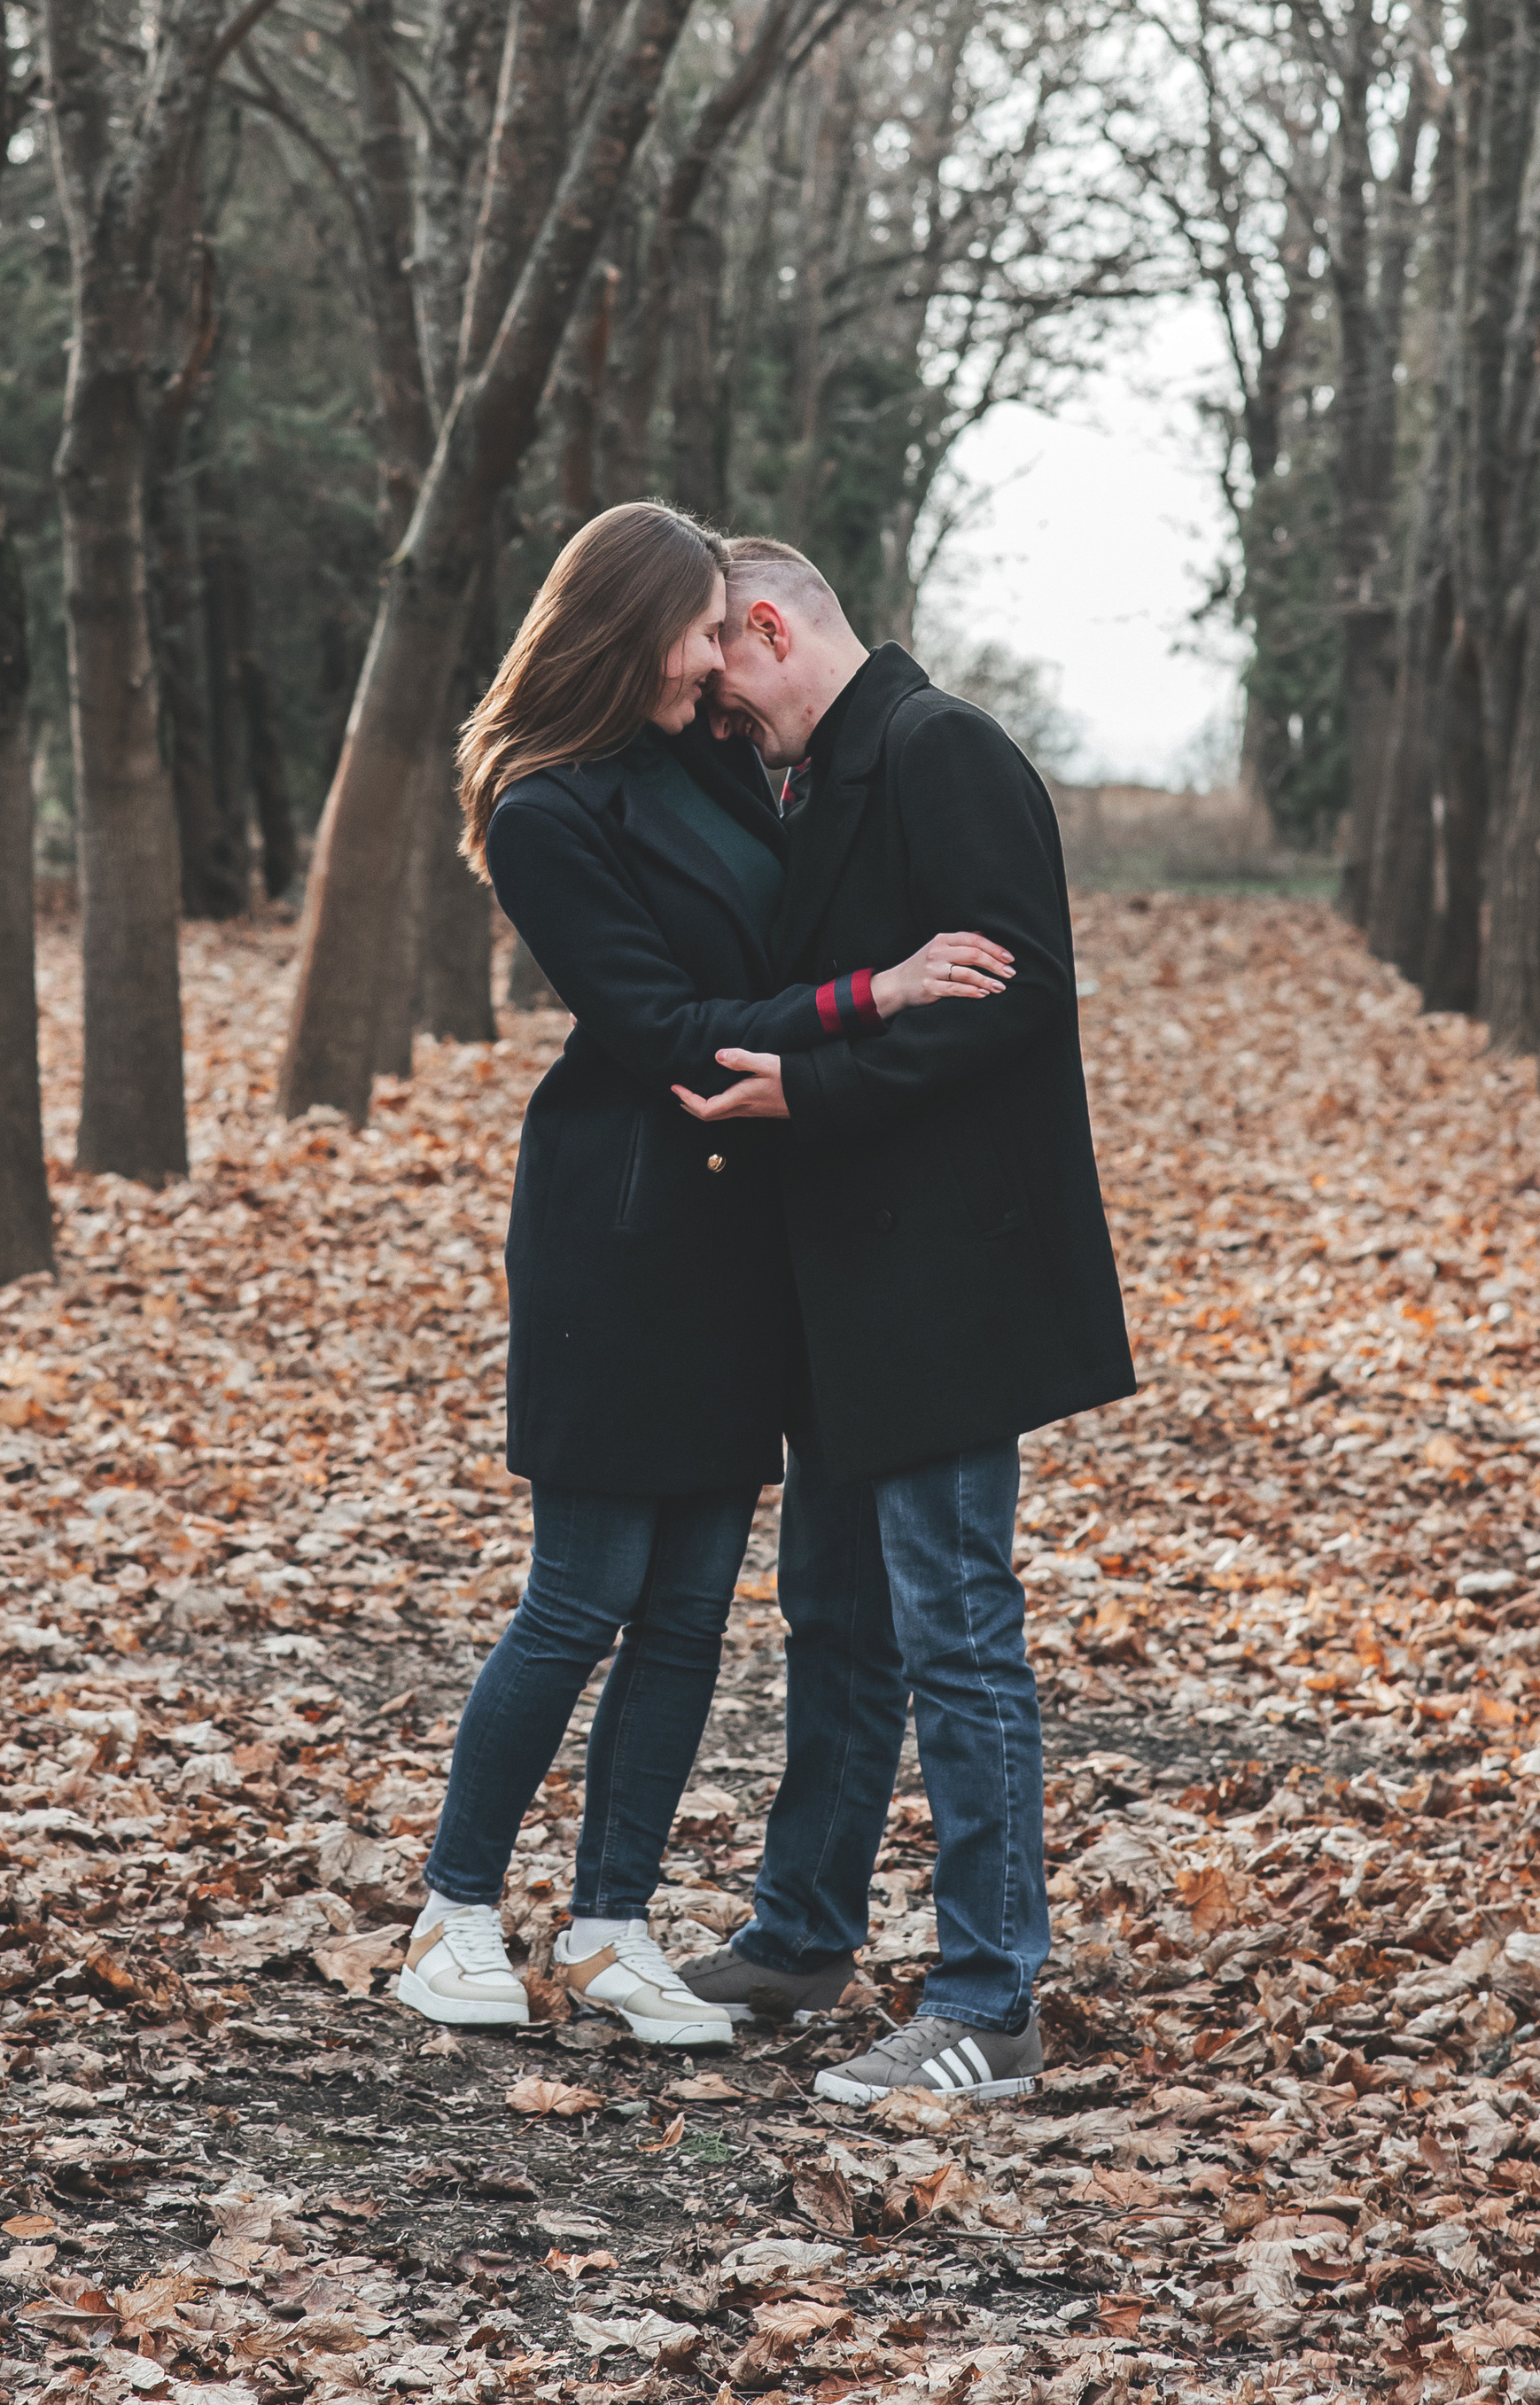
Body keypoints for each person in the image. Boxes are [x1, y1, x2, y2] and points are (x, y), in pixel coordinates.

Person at [394, 503, 1013, 2051]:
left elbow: (786, 922)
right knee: (580, 1595)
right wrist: (877, 993)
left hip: (744, 1238)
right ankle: (454, 1910)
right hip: (617, 1235)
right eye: (696, 630)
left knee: (684, 1613)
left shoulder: (709, 760)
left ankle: (611, 1923)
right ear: (632, 628)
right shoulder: (542, 809)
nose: (713, 660)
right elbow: (664, 1028)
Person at [672, 537, 1135, 2105]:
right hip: (845, 1284)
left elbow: (1023, 994)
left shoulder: (943, 749)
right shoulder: (807, 777)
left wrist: (811, 1085)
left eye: (722, 684)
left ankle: (990, 2001)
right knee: (836, 1616)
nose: (717, 719)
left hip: (946, 1279)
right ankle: (803, 1932)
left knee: (955, 1626)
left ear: (769, 624)